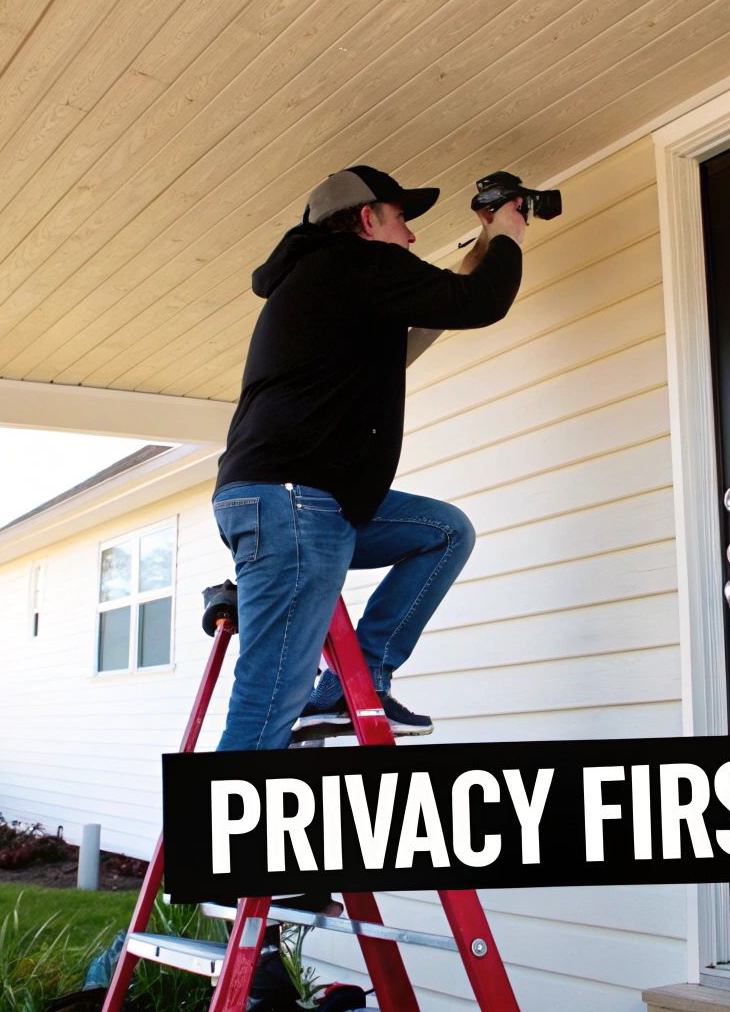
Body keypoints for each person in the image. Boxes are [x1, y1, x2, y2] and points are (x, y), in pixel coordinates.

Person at [210, 166, 527, 755]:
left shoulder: (324, 281)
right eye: (402, 218)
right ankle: (229, 842)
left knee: (442, 532)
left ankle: (358, 680)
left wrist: (483, 244)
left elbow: (427, 324)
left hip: (303, 500)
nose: (410, 237)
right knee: (268, 704)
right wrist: (509, 233)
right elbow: (480, 304)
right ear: (366, 219)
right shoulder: (354, 264)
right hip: (295, 502)